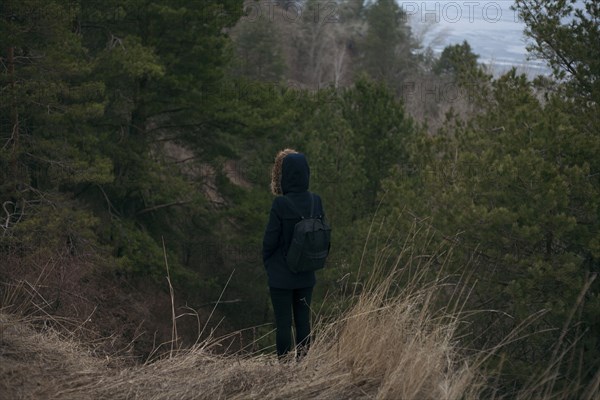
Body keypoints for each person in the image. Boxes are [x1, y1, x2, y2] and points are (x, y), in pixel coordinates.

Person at [262, 148, 326, 360]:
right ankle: (303, 365)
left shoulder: (280, 203)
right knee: (303, 322)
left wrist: (270, 266)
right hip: (307, 273)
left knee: (283, 324)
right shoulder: (316, 201)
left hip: (281, 275)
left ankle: (284, 368)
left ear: (285, 175)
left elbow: (269, 241)